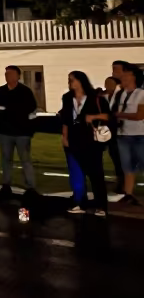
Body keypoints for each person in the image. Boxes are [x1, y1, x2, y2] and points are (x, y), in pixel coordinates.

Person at [60, 71, 109, 216]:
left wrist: (92, 117)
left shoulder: (95, 97)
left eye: (72, 80)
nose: (70, 82)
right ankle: (80, 202)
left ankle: (101, 205)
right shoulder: (67, 97)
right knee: (77, 173)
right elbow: (65, 119)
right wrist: (65, 137)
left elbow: (107, 115)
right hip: (74, 137)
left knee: (95, 173)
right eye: (69, 80)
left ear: (81, 81)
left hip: (91, 139)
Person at [0, 65, 39, 198]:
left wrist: (7, 110)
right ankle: (6, 185)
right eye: (6, 74)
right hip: (5, 131)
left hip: (22, 132)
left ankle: (31, 187)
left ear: (18, 76)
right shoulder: (1, 91)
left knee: (25, 159)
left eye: (11, 74)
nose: (8, 76)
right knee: (6, 159)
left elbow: (31, 108)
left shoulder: (25, 91)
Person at [113, 65, 144, 205]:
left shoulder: (141, 94)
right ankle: (128, 194)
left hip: (139, 134)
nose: (123, 77)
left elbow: (139, 115)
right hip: (123, 134)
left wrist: (118, 115)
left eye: (127, 75)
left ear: (134, 77)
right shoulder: (120, 94)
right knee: (127, 167)